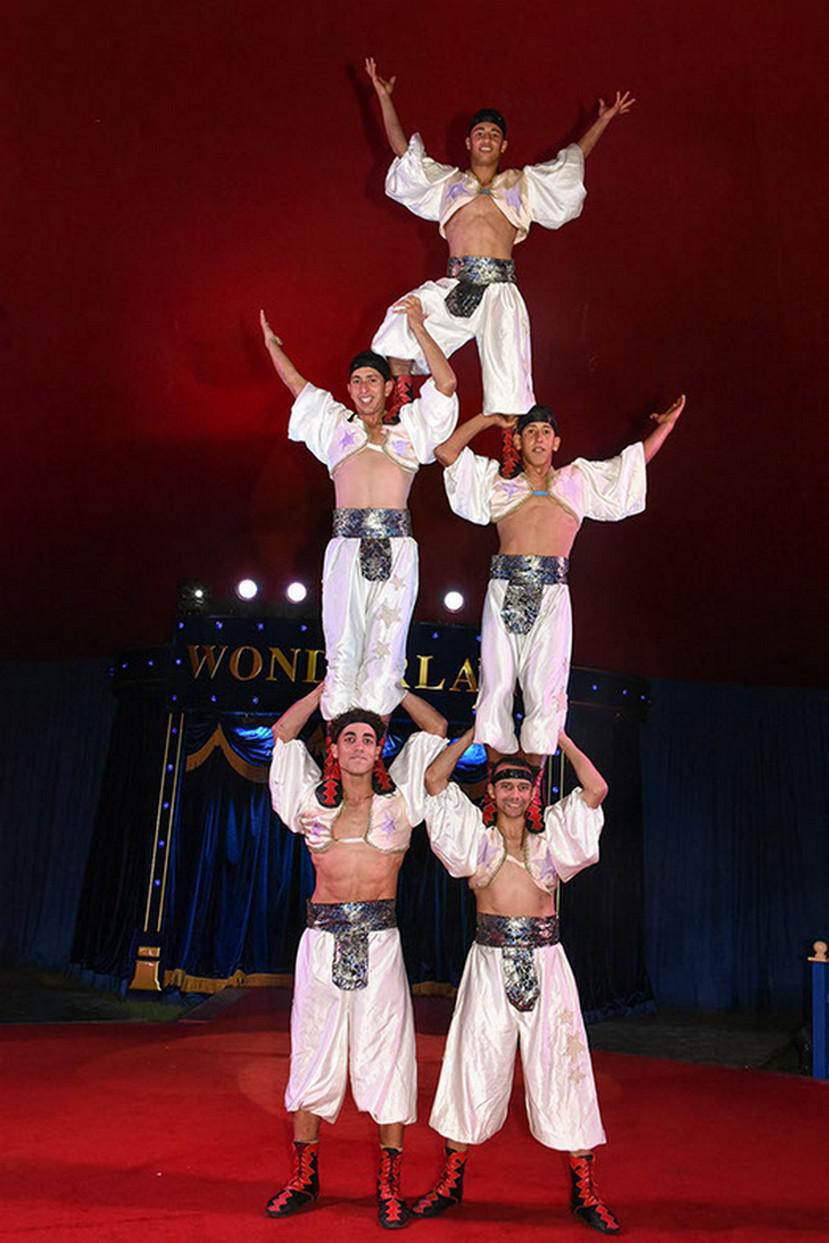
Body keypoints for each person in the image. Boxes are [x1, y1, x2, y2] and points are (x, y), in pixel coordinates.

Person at [415, 725, 621, 1235]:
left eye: (522, 786)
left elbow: (595, 791)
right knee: (471, 1066)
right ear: (491, 792)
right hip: (488, 963)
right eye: (505, 786)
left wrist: (563, 738)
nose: (513, 794)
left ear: (532, 793)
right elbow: (434, 780)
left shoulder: (553, 837)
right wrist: (473, 733)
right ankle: (449, 1181)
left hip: (547, 963)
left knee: (564, 1069)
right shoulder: (475, 841)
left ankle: (585, 1190)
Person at [265, 681, 447, 1229]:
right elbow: (282, 734)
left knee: (389, 1057)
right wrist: (326, 690)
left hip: (381, 944)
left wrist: (396, 686)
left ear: (380, 748)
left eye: (371, 738)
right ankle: (304, 1175)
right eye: (350, 737)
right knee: (313, 1054)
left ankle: (388, 1185)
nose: (362, 745)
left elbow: (436, 729)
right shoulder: (308, 802)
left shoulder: (401, 800)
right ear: (335, 748)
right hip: (321, 944)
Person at [366, 56, 634, 415]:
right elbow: (404, 153)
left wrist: (602, 120)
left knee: (510, 395)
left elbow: (570, 163)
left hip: (501, 294)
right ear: (468, 142)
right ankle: (401, 411)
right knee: (400, 327)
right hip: (457, 286)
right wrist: (385, 97)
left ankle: (513, 457)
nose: (487, 138)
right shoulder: (449, 184)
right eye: (480, 133)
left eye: (494, 134)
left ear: (504, 145)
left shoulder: (521, 185)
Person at [436, 396, 685, 763]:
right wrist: (488, 419)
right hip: (504, 589)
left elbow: (630, 467)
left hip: (552, 594)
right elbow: (445, 453)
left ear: (556, 442)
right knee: (498, 686)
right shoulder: (497, 484)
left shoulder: (577, 480)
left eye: (546, 432)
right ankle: (496, 790)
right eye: (530, 431)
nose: (538, 438)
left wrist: (666, 426)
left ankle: (528, 795)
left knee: (545, 690)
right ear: (518, 441)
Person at [260, 297, 458, 722]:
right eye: (356, 381)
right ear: (349, 389)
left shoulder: (411, 432)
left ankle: (372, 756)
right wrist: (273, 345)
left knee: (385, 660)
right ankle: (338, 760)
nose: (364, 388)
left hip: (397, 551)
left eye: (372, 379)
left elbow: (445, 385)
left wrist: (420, 329)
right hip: (346, 550)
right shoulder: (335, 429)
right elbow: (297, 385)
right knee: (342, 654)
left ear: (388, 387)